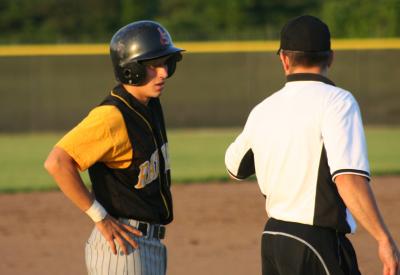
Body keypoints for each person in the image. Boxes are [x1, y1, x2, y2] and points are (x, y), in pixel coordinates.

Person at [225, 15, 399, 275]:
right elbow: (348, 178)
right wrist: (383, 239)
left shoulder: (263, 109)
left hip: (273, 239)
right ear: (330, 57)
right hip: (316, 244)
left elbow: (234, 168)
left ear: (284, 59)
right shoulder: (337, 102)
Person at [44, 20, 184, 275]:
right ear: (131, 70)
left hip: (146, 245)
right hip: (124, 245)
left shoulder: (149, 105)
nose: (163, 72)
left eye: (165, 64)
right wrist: (101, 218)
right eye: (154, 65)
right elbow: (57, 162)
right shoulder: (112, 116)